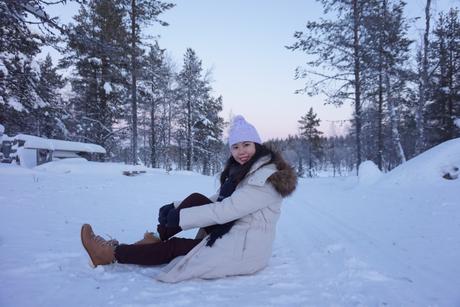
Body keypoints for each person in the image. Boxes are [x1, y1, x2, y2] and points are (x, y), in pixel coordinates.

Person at [81, 115, 297, 283]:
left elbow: (227, 210)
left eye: (246, 145)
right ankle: (156, 237)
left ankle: (111, 254)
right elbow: (218, 200)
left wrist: (180, 217)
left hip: (244, 250)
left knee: (174, 248)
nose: (241, 152)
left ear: (257, 145)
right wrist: (174, 208)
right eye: (236, 146)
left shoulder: (267, 179)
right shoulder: (245, 170)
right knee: (195, 199)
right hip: (233, 232)